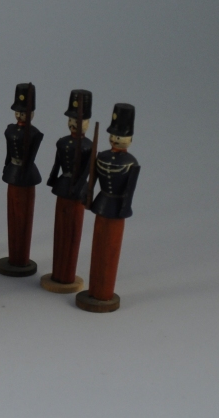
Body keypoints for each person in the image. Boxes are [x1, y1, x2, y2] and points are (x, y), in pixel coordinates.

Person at [78, 103, 140, 313]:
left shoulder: (131, 163)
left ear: (130, 139)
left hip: (116, 208)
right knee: (98, 248)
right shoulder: (102, 157)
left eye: (120, 136)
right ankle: (94, 289)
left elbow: (129, 190)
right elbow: (92, 179)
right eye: (113, 135)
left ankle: (103, 292)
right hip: (102, 203)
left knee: (109, 252)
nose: (115, 139)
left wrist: (124, 209)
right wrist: (87, 195)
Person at [41, 89, 94, 293]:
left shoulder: (89, 146)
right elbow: (57, 163)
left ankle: (66, 273)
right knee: (60, 231)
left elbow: (87, 172)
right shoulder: (62, 142)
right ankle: (58, 271)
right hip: (63, 186)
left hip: (76, 191)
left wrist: (80, 189)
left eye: (79, 120)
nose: (74, 124)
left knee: (72, 233)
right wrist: (52, 179)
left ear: (87, 123)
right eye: (71, 120)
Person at [0, 83, 44, 277]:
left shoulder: (35, 134)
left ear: (32, 113)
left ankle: (21, 257)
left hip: (26, 174)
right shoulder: (10, 130)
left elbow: (31, 157)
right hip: (13, 171)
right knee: (12, 214)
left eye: (24, 112)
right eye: (18, 112)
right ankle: (14, 255)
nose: (20, 115)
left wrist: (23, 170)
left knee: (23, 218)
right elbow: (9, 153)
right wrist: (6, 166)